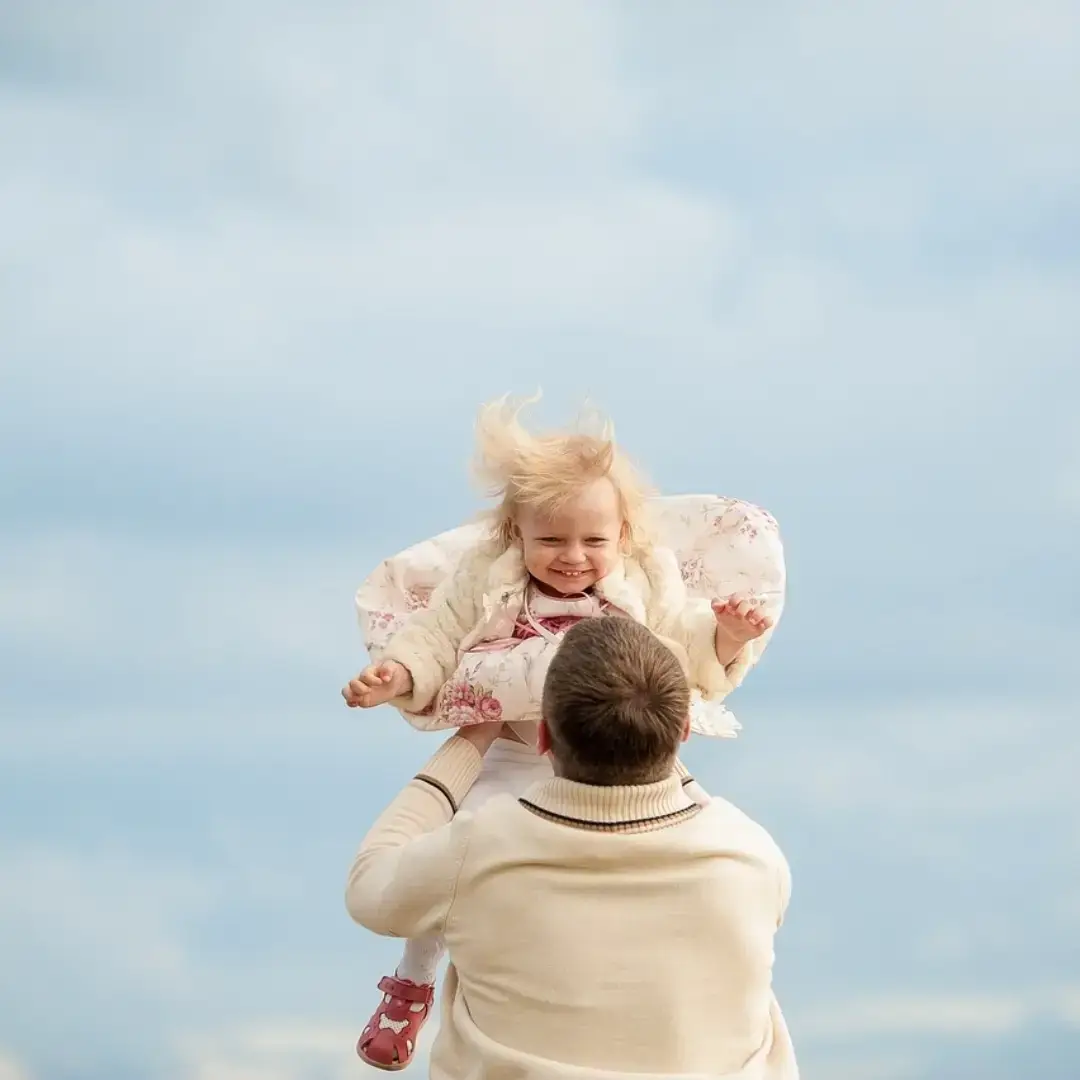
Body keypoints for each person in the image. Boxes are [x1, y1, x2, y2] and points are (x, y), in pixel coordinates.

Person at [341, 396, 775, 1070]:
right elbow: (437, 641)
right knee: (454, 854)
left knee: (462, 866)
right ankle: (413, 980)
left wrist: (726, 636)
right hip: (514, 748)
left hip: (613, 757)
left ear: (624, 533)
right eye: (551, 541)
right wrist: (396, 675)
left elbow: (681, 650)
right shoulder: (485, 581)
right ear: (514, 534)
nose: (572, 558)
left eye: (593, 541)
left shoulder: (642, 581)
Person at [345, 616, 797, 1079]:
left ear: (542, 738)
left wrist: (472, 737)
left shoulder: (481, 849)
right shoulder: (751, 857)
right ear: (683, 730)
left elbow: (369, 888)